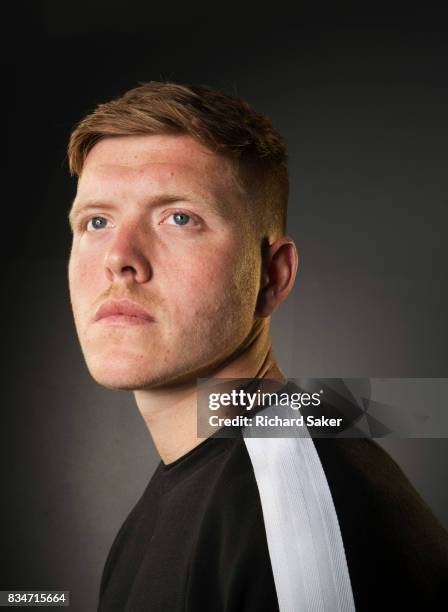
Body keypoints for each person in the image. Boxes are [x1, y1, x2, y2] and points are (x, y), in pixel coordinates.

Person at [67, 82, 448, 611]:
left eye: (179, 217)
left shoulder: (293, 505)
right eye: (97, 221)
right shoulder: (175, 502)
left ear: (272, 275)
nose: (119, 258)